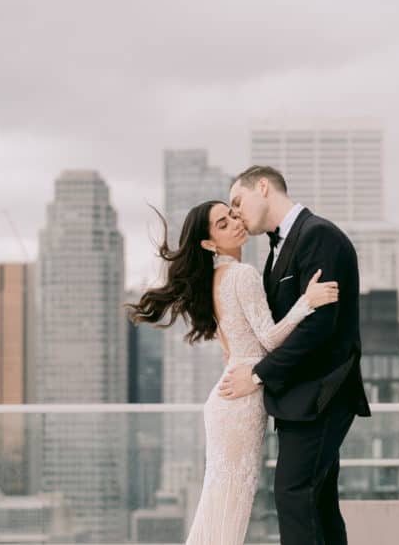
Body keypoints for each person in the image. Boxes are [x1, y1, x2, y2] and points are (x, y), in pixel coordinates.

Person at [127, 199, 340, 545]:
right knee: (230, 511)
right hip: (239, 403)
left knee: (219, 507)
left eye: (232, 216)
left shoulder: (217, 278)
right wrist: (307, 302)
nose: (235, 224)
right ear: (209, 244)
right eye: (222, 224)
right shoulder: (242, 275)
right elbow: (269, 340)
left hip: (229, 399)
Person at [219, 165, 371, 545]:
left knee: (292, 494)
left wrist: (257, 373)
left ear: (264, 187)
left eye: (238, 202)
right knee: (317, 502)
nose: (235, 214)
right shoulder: (276, 252)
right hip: (299, 398)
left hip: (322, 394)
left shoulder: (319, 236)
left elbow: (319, 328)